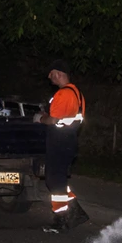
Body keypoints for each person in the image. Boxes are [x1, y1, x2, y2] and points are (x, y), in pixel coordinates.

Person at [33, 59, 88, 233]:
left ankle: (61, 220)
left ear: (58, 73)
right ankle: (75, 212)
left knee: (54, 182)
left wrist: (40, 119)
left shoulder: (63, 94)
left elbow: (54, 120)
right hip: (69, 140)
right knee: (58, 180)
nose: (50, 78)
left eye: (51, 74)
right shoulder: (77, 93)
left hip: (59, 142)